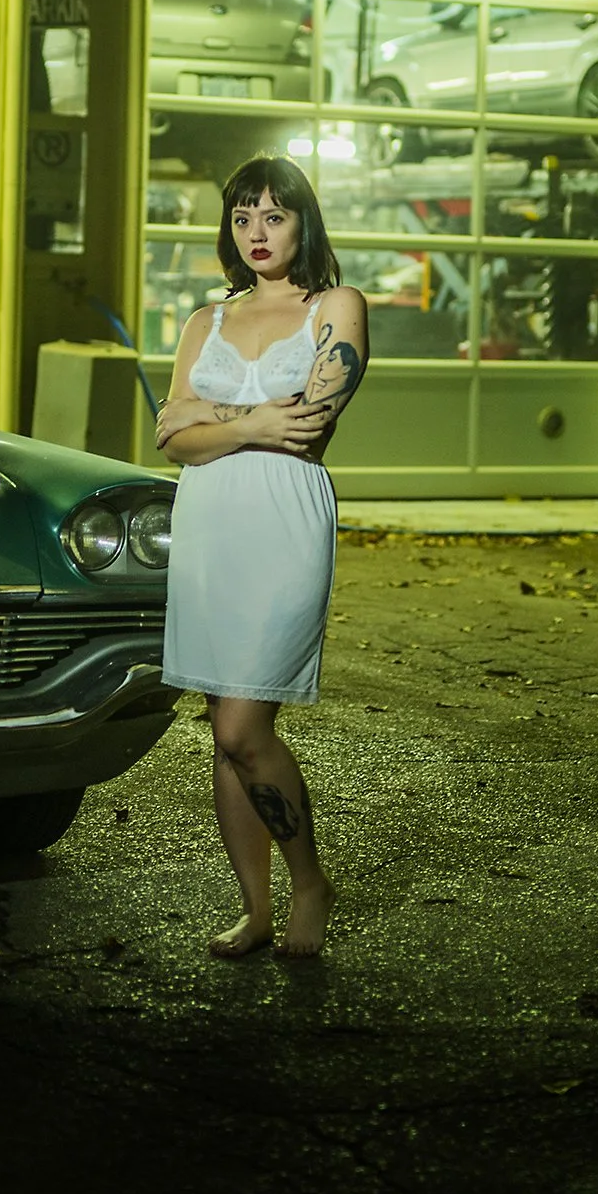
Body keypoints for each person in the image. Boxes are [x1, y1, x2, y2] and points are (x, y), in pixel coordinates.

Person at [154, 155, 367, 959]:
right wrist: (244, 424)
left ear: (303, 222)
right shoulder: (204, 321)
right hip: (209, 528)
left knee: (246, 726)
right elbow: (168, 436)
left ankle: (310, 879)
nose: (256, 234)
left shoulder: (334, 306)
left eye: (273, 217)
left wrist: (208, 415)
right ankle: (256, 908)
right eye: (243, 217)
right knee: (222, 725)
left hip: (283, 522)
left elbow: (308, 422)